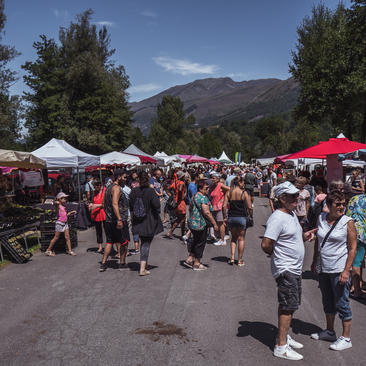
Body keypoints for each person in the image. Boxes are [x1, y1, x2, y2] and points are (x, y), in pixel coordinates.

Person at [261, 182, 316, 361]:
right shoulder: (278, 217)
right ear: (282, 198)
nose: (297, 198)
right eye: (292, 196)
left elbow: (290, 237)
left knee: (290, 304)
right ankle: (281, 346)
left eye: (296, 195)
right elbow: (266, 244)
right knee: (288, 306)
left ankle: (282, 336)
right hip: (286, 268)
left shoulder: (290, 214)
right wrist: (276, 256)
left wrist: (304, 236)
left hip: (293, 267)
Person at [310, 191, 357, 351]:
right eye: (338, 204)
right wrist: (314, 260)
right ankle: (330, 331)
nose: (342, 207)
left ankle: (346, 338)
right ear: (328, 206)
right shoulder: (321, 218)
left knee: (342, 303)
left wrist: (346, 270)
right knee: (327, 301)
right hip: (324, 268)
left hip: (339, 269)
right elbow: (318, 241)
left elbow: (352, 248)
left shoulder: (347, 222)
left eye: (344, 204)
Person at [129, 171, 163, 276]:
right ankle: (142, 268)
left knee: (143, 242)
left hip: (137, 220)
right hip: (148, 221)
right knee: (145, 244)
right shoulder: (150, 191)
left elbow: (130, 206)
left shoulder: (133, 191)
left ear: (138, 179)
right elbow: (157, 205)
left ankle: (145, 264)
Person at [99, 169, 130, 272]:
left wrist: (109, 215)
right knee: (124, 242)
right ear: (119, 177)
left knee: (109, 242)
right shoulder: (116, 188)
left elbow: (104, 204)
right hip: (118, 220)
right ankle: (122, 263)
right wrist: (119, 219)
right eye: (124, 177)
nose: (126, 180)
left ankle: (103, 263)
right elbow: (114, 203)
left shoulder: (108, 187)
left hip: (109, 220)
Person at [184, 179, 218, 270]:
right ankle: (197, 263)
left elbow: (190, 209)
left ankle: (190, 258)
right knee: (200, 243)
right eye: (206, 188)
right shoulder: (203, 198)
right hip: (200, 224)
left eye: (208, 188)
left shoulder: (194, 196)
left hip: (193, 223)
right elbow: (207, 212)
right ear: (200, 188)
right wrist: (214, 223)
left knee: (196, 241)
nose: (208, 190)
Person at [223, 177, 252, 266]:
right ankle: (239, 260)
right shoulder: (244, 193)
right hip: (242, 217)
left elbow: (224, 206)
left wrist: (225, 217)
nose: (244, 184)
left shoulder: (229, 192)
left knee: (233, 238)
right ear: (239, 183)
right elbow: (250, 207)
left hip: (231, 217)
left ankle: (232, 258)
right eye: (243, 182)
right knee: (241, 239)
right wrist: (251, 215)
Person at [346, 193, 366, 299]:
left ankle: (355, 285)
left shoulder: (354, 198)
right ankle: (357, 290)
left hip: (351, 230)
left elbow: (348, 214)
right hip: (363, 234)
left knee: (354, 259)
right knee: (357, 262)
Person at [45, 192, 77, 256]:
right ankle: (48, 250)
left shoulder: (63, 206)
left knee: (67, 237)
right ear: (60, 199)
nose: (65, 200)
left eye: (65, 198)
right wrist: (56, 201)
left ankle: (70, 251)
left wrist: (71, 212)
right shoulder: (58, 206)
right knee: (56, 237)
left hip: (65, 223)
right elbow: (55, 203)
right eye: (64, 198)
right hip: (59, 224)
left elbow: (65, 215)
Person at [210, 172, 230, 246]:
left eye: (213, 178)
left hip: (219, 207)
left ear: (218, 179)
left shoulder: (220, 185)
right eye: (212, 178)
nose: (212, 179)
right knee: (218, 224)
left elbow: (230, 190)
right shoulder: (213, 186)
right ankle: (220, 238)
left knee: (221, 223)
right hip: (214, 207)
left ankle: (222, 240)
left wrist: (224, 199)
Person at [167, 170, 187, 239]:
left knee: (180, 218)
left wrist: (172, 195)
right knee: (182, 219)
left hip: (176, 202)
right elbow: (180, 190)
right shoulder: (181, 182)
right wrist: (182, 195)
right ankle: (179, 234)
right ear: (182, 176)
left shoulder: (175, 182)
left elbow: (168, 189)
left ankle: (180, 234)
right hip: (181, 202)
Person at [89, 180, 106, 253]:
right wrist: (91, 204)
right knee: (98, 231)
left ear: (100, 185)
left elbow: (106, 204)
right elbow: (92, 201)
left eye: (95, 186)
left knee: (107, 230)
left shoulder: (105, 191)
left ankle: (110, 246)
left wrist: (97, 206)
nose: (94, 188)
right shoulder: (94, 192)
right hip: (96, 214)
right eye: (94, 187)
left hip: (104, 213)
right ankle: (100, 247)